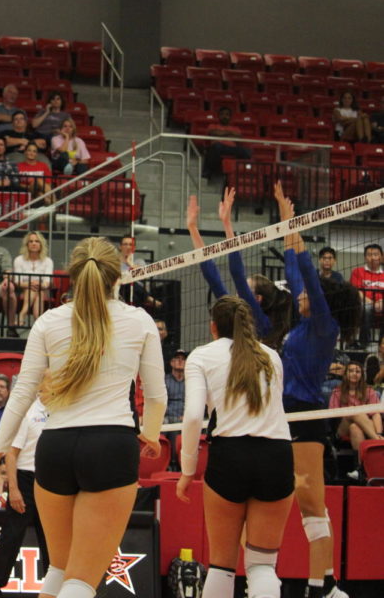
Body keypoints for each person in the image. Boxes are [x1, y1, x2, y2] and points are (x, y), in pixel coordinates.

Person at [0, 236, 167, 598]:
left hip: (54, 448)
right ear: (116, 276)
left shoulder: (48, 321)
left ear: (71, 275)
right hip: (110, 445)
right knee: (80, 582)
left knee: (59, 573)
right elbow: (156, 396)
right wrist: (150, 434)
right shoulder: (140, 321)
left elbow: (22, 395)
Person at [273, 186, 361, 598]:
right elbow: (295, 271)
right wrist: (287, 222)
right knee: (313, 509)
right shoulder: (304, 322)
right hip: (286, 413)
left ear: (324, 301)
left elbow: (307, 273)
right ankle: (327, 585)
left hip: (304, 416)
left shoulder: (326, 325)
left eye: (310, 295)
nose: (301, 296)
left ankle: (319, 589)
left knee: (311, 508)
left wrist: (302, 231)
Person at [176, 295, 293, 598]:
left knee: (221, 565)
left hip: (231, 455)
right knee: (262, 565)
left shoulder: (201, 356)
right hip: (276, 455)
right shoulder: (271, 356)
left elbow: (191, 417)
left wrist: (187, 469)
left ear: (212, 326)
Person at [187, 189, 293, 350]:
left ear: (257, 299)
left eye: (245, 288)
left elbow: (237, 273)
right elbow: (212, 277)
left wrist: (227, 224)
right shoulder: (236, 312)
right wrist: (192, 227)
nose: (238, 291)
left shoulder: (262, 323)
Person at [0, 396, 50, 598]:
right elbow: (10, 454)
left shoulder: (63, 409)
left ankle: (54, 589)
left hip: (52, 480)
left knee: (52, 541)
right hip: (25, 479)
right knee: (11, 537)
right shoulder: (27, 412)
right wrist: (14, 489)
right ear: (41, 385)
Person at [330, 361, 382, 479]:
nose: (355, 374)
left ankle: (360, 469)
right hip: (341, 429)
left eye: (358, 371)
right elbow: (333, 415)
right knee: (353, 412)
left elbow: (376, 414)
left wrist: (379, 432)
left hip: (365, 429)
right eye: (351, 371)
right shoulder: (337, 392)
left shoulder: (369, 391)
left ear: (362, 375)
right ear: (345, 374)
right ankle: (379, 441)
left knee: (355, 428)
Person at [14, 231, 54, 325]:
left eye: (37, 241)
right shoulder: (19, 260)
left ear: (41, 244)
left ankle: (22, 314)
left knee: (37, 290)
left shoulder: (48, 261)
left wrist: (39, 285)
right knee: (34, 289)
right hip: (22, 290)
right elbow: (17, 281)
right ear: (27, 244)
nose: (34, 243)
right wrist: (30, 284)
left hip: (44, 290)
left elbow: (47, 282)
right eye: (31, 241)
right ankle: (38, 323)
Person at [349, 243, 384, 348]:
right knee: (367, 308)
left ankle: (382, 343)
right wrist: (371, 302)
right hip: (363, 305)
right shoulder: (357, 272)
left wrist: (382, 302)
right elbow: (355, 290)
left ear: (381, 257)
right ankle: (364, 343)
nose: (372, 257)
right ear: (365, 257)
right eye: (369, 254)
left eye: (375, 254)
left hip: (381, 305)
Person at [202, 106, 251, 180]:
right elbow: (214, 133)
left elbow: (238, 138)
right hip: (218, 148)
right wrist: (230, 133)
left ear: (230, 117)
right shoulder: (212, 126)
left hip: (232, 149)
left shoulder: (236, 128)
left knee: (247, 151)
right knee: (215, 148)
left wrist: (222, 133)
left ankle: (243, 175)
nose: (224, 116)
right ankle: (208, 173)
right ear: (219, 116)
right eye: (222, 114)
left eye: (227, 114)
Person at [119, 235, 162, 311]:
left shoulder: (139, 262)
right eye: (125, 244)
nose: (128, 247)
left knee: (132, 283)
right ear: (120, 247)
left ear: (134, 248)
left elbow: (144, 276)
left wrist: (130, 264)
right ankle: (148, 298)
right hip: (120, 294)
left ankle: (146, 298)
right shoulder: (116, 264)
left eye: (131, 245)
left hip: (137, 296)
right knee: (126, 281)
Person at [164, 350, 187, 460]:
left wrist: (187, 415)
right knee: (172, 423)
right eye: (177, 358)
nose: (180, 361)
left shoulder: (191, 381)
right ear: (171, 362)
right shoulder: (165, 381)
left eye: (183, 359)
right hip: (170, 416)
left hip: (187, 417)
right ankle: (172, 461)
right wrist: (178, 416)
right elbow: (163, 404)